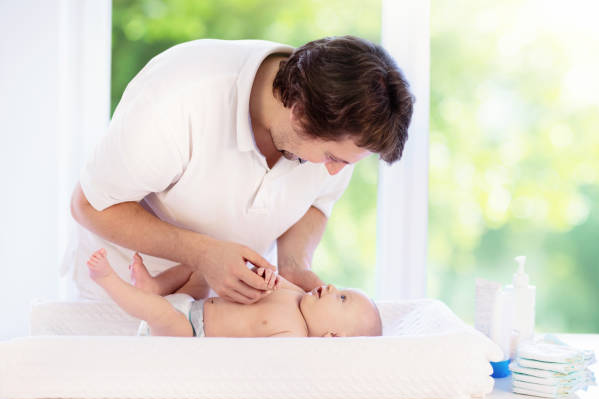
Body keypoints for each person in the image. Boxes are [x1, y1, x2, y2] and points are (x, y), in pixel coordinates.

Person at [69, 35, 414, 305]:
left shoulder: (343, 129)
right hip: (119, 295)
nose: (334, 172)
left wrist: (294, 264)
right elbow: (89, 204)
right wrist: (201, 253)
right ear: (299, 114)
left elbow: (316, 202)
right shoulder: (177, 100)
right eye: (331, 158)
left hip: (220, 310)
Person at [87, 248, 383, 338]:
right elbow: (269, 282)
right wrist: (264, 277)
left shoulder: (294, 338)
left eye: (342, 298)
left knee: (158, 312)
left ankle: (108, 280)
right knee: (204, 266)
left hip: (189, 333)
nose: (332, 287)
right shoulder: (296, 294)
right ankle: (156, 286)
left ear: (332, 338)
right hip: (194, 302)